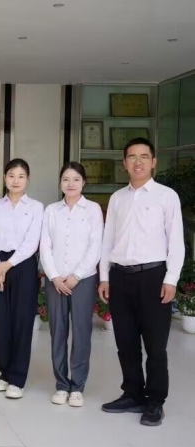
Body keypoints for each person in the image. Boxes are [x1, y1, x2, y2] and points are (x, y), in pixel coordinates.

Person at [99, 138, 184, 426]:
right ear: (124, 164)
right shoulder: (117, 198)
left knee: (156, 345)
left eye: (144, 157)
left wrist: (171, 279)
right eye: (132, 157)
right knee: (125, 342)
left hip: (154, 277)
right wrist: (104, 276)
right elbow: (107, 240)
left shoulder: (166, 196)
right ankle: (133, 394)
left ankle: (155, 401)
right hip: (120, 277)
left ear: (153, 161)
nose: (138, 162)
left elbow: (176, 242)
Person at [40, 162, 103, 407]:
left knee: (81, 332)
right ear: (60, 183)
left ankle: (77, 386)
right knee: (57, 332)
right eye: (66, 179)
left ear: (83, 182)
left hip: (82, 280)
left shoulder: (93, 210)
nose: (70, 184)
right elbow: (45, 246)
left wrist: (76, 275)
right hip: (55, 281)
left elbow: (95, 246)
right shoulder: (51, 211)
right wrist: (54, 276)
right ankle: (61, 384)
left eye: (76, 179)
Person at [0, 158, 43, 399]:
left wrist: (6, 266)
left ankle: (18, 379)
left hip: (22, 265)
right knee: (3, 322)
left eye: (21, 176)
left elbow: (31, 242)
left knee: (22, 322)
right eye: (11, 175)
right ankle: (5, 374)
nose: (15, 180)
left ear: (27, 179)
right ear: (4, 178)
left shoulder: (36, 207)